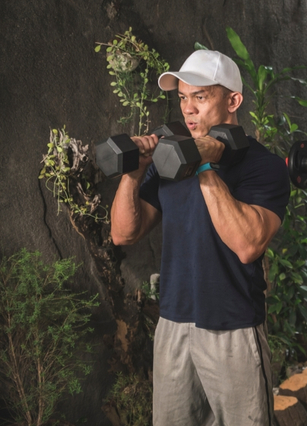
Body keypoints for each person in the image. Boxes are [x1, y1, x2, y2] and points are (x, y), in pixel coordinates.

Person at [110, 49, 290, 425]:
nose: (188, 109)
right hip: (173, 325)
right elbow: (123, 234)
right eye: (182, 98)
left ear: (233, 100)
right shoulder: (168, 159)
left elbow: (247, 246)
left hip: (233, 329)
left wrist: (203, 164)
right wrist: (135, 171)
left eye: (201, 97)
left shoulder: (264, 166)